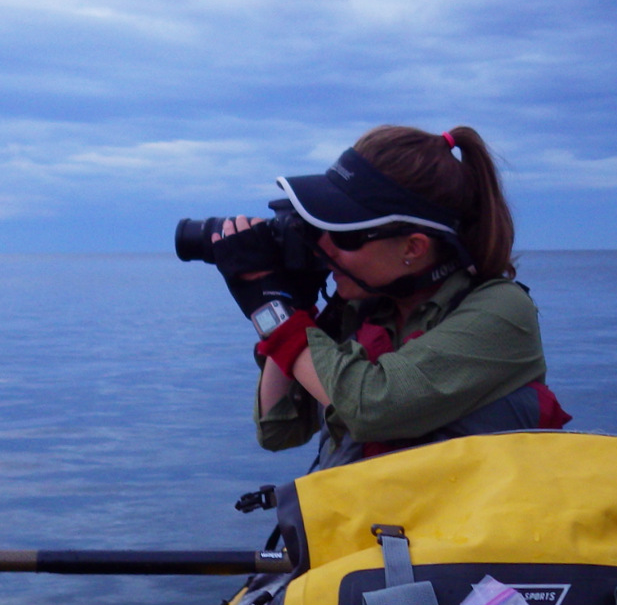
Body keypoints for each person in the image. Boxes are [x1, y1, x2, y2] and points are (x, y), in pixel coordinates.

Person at [211, 124, 570, 470]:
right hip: (369, 514)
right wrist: (291, 302)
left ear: (413, 247)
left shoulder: (501, 312)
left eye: (345, 235)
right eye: (320, 228)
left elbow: (372, 408)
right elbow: (279, 429)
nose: (324, 246)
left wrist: (270, 310)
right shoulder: (364, 310)